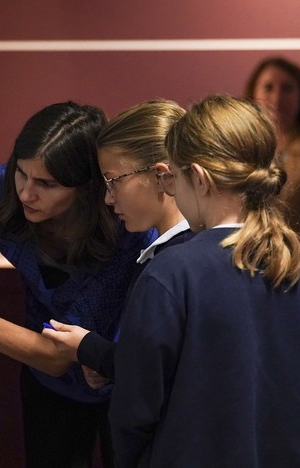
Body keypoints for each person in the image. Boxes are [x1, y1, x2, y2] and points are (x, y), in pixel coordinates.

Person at [0, 101, 153, 467]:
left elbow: (58, 355)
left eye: (47, 183)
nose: (27, 193)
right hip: (45, 383)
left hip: (121, 377)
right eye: (22, 172)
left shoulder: (123, 225)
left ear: (88, 188)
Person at [109, 95, 300, 467]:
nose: (170, 188)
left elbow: (135, 411)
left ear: (200, 179)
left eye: (171, 177)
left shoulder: (169, 275)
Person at [42, 99, 194, 387]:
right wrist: (108, 362)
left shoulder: (172, 267)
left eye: (113, 181)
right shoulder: (169, 257)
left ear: (160, 175)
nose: (108, 198)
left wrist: (91, 349)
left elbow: (159, 374)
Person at [244, 56, 300, 262]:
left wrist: (288, 243)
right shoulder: (241, 151)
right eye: (268, 88)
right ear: (252, 94)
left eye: (287, 88)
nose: (277, 97)